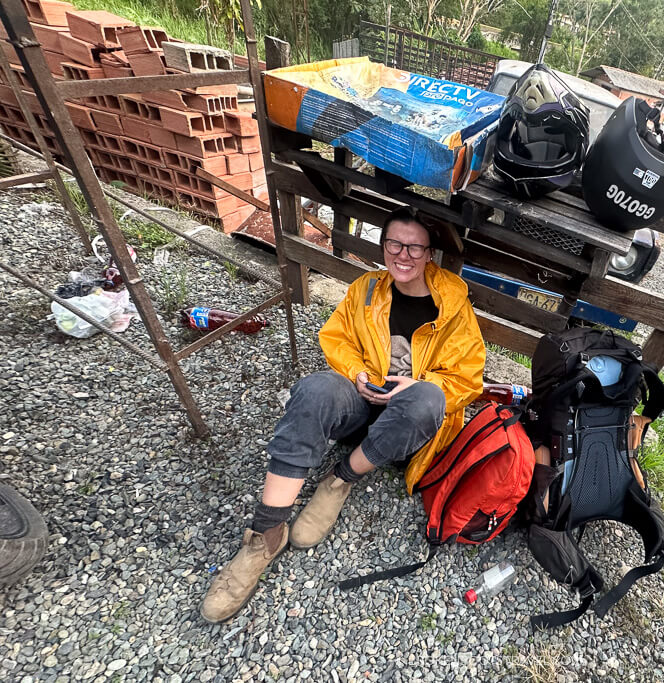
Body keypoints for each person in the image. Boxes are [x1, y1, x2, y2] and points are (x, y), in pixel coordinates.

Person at [200, 207, 485, 623]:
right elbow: (336, 338)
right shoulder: (367, 288)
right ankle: (265, 535)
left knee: (426, 399)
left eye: (414, 247)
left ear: (429, 254)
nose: (402, 255)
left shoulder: (453, 305)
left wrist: (420, 384)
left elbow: (469, 378)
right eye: (394, 244)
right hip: (360, 401)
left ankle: (339, 480)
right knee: (315, 388)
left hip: (405, 426)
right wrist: (356, 374)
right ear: (383, 245)